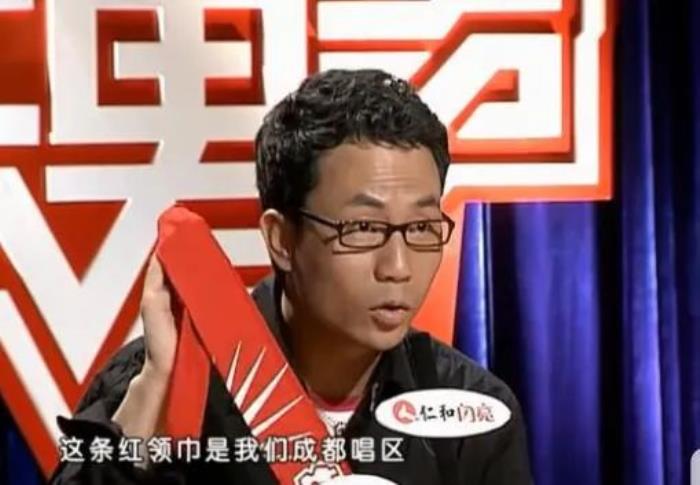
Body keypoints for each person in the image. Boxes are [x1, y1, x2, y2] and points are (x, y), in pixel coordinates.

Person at [50, 69, 532, 484]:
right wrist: (150, 400)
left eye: (422, 228)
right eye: (363, 228)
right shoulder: (160, 378)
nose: (398, 267)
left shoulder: (470, 412)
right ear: (281, 239)